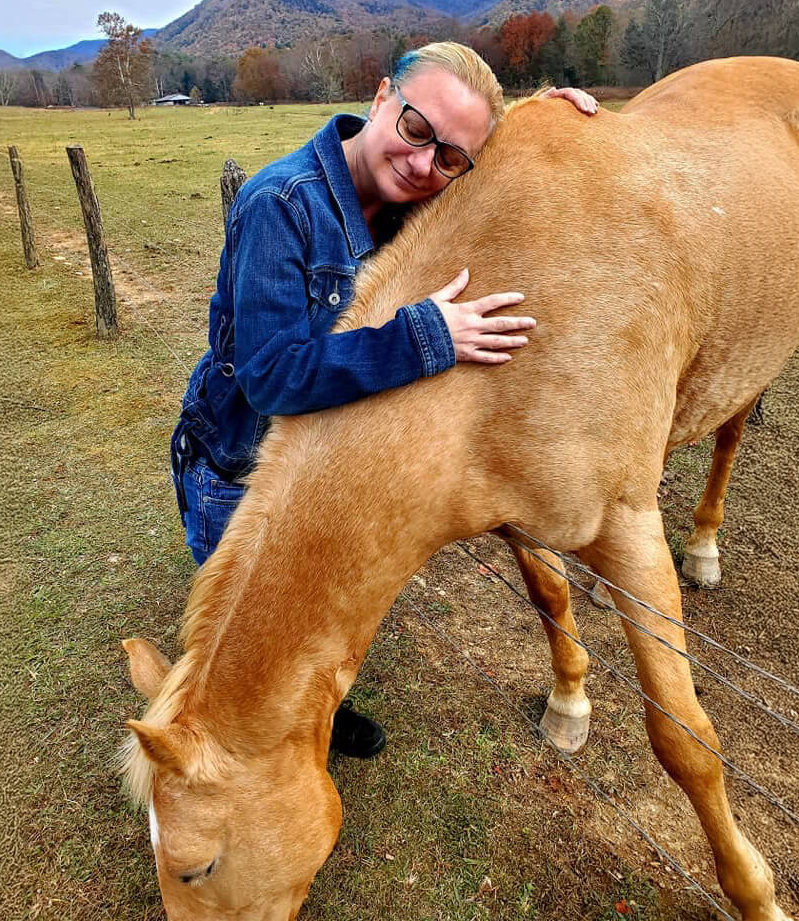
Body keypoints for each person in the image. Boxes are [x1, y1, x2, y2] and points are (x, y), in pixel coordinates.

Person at [171, 42, 598, 758]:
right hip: (236, 464)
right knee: (259, 625)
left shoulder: (423, 206)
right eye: (415, 128)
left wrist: (541, 117)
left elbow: (495, 176)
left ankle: (317, 715)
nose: (423, 161)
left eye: (451, 156)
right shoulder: (279, 204)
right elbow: (271, 378)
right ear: (378, 99)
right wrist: (424, 335)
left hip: (323, 460)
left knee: (311, 613)